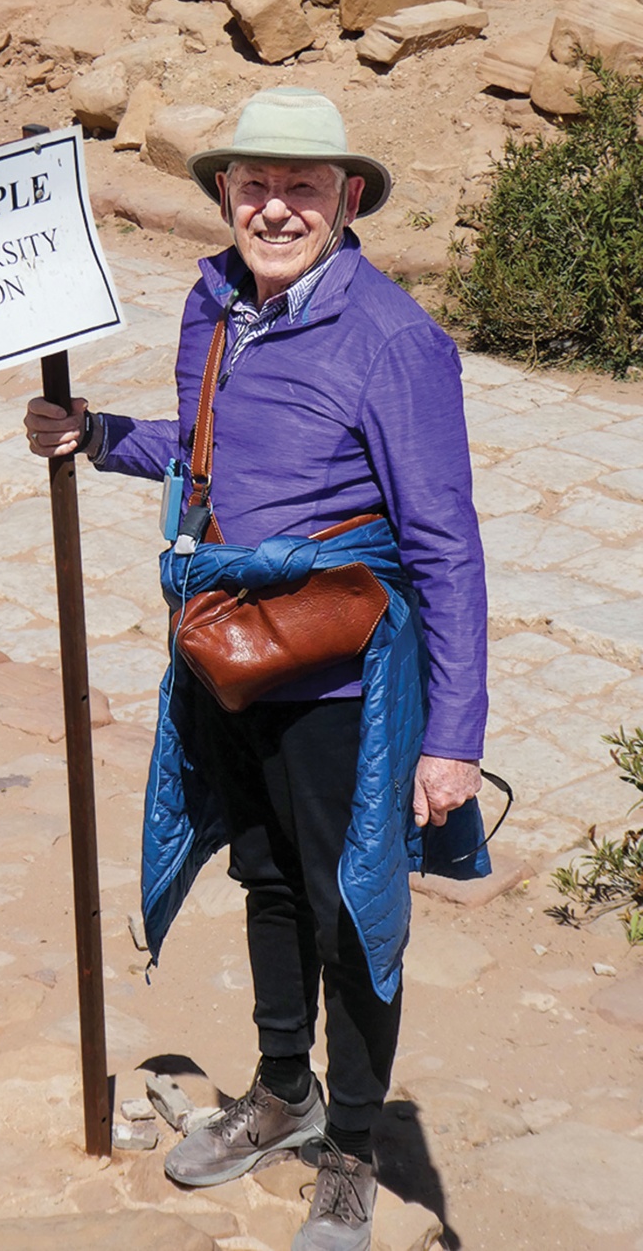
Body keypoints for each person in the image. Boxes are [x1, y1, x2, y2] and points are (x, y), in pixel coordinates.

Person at [24, 87, 489, 1251]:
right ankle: (283, 1092)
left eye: (302, 187)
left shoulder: (393, 340)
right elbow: (204, 455)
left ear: (348, 198)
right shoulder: (216, 305)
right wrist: (97, 435)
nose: (274, 209)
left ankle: (354, 1148)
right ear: (225, 193)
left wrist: (453, 736)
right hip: (234, 651)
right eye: (254, 185)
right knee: (268, 882)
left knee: (353, 913)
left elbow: (445, 543)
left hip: (343, 679)